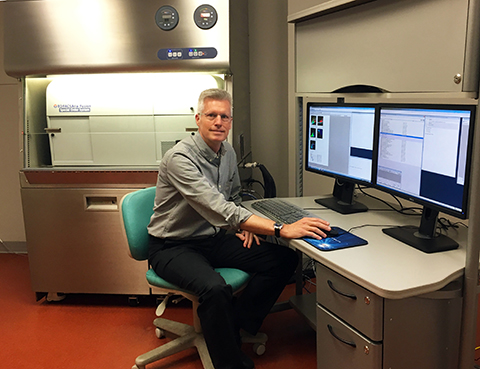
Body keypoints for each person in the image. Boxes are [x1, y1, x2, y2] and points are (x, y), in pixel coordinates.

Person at [147, 88, 331, 369]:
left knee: (284, 259)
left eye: (224, 116)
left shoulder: (227, 152)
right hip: (173, 245)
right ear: (198, 119)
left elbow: (233, 199)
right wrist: (282, 229)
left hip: (212, 237)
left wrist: (240, 226)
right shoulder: (179, 159)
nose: (218, 122)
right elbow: (218, 208)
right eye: (211, 115)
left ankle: (234, 324)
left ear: (231, 121)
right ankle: (230, 362)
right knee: (214, 289)